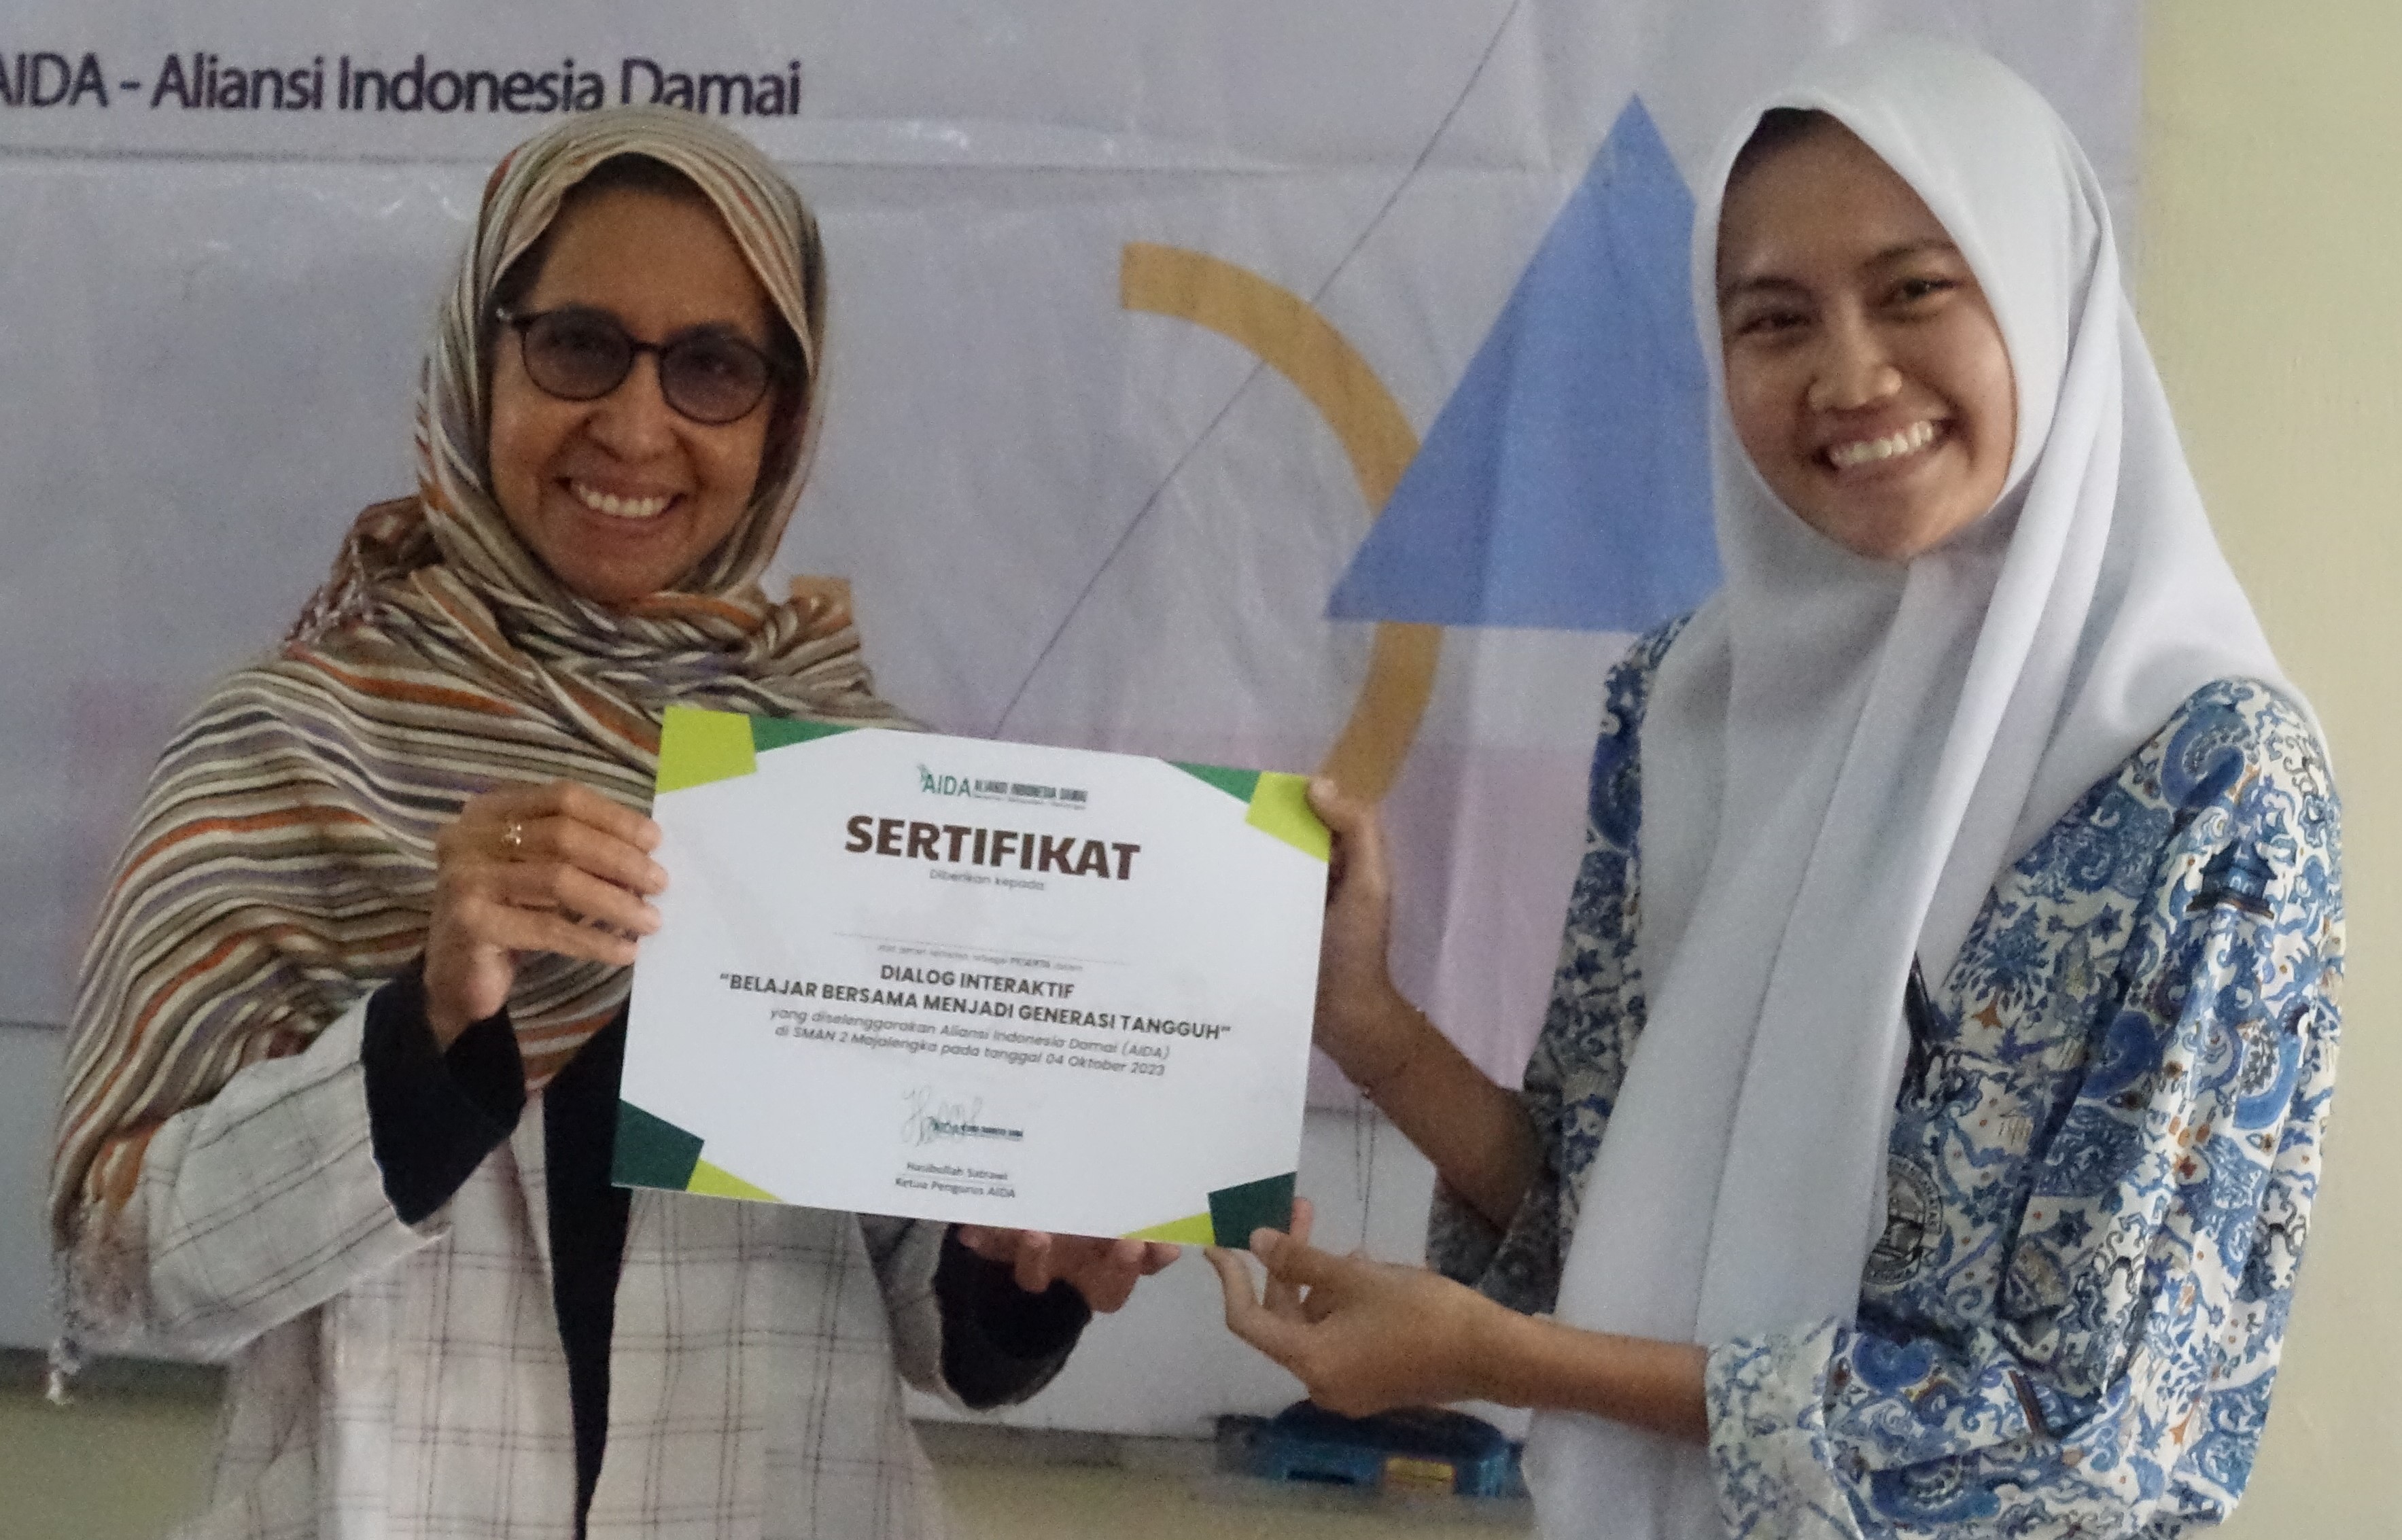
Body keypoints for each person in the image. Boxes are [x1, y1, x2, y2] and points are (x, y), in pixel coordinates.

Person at [1208, 37, 2341, 1540]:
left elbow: (2096, 1432)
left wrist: (1502, 1361)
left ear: (2045, 296)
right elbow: (1588, 1218)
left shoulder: (2205, 781)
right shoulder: (1683, 703)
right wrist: (1366, 1020)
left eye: (1915, 289)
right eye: (1774, 318)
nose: (1849, 375)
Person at [51, 105, 1172, 1540]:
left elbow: (913, 1301)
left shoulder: (850, 784)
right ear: (483, 356)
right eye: (578, 343)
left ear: (781, 417)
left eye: (713, 365)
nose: (638, 428)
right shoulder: (285, 743)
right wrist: (427, 1027)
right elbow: (121, 1269)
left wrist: (1022, 1266)